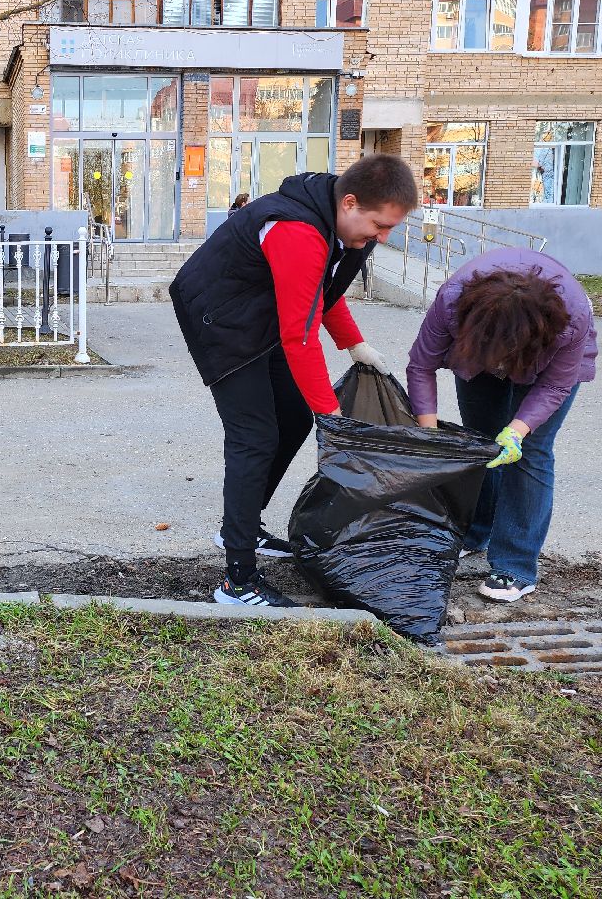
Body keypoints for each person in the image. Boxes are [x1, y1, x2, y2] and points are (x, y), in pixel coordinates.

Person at [171, 156, 418, 607]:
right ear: (350, 202)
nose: (383, 238)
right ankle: (238, 580)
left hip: (260, 313)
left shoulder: (338, 223)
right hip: (222, 321)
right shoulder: (298, 231)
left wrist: (354, 344)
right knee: (254, 438)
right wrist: (331, 412)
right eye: (380, 226)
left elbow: (321, 293)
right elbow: (299, 338)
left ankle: (242, 525)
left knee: (293, 418)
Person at [406, 249, 597, 603]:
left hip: (545, 365)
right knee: (482, 443)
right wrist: (429, 435)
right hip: (474, 347)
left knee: (530, 452)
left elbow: (555, 387)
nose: (502, 366)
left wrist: (517, 431)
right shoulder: (452, 304)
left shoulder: (570, 319)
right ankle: (475, 532)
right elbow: (421, 366)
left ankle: (515, 565)